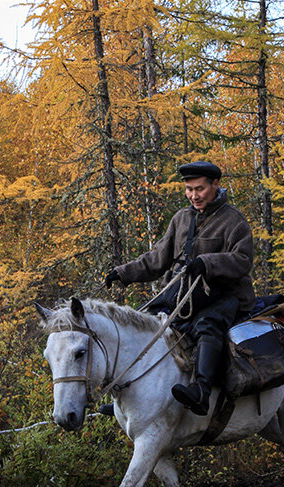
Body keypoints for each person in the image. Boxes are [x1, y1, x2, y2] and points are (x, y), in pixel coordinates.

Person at [105, 161, 255, 416]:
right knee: (143, 325)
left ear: (215, 185)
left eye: (199, 189)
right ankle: (128, 396)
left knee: (207, 325)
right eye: (188, 189)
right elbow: (157, 259)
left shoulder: (234, 221)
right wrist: (122, 273)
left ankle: (201, 391)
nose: (193, 195)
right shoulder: (181, 219)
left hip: (223, 297)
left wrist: (207, 264)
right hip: (181, 296)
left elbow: (242, 261)